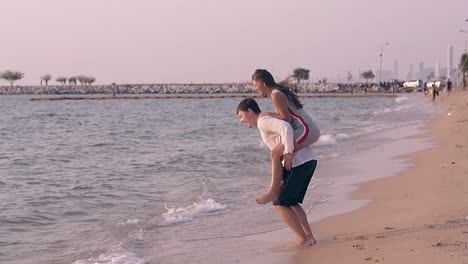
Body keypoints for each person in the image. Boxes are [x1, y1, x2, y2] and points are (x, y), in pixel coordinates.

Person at [237, 98, 318, 248]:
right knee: (291, 203)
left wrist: (288, 153)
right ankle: (309, 237)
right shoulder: (265, 119)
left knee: (279, 203)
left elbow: (286, 127)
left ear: (250, 112)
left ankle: (303, 239)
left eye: (241, 116)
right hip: (307, 160)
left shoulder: (262, 121)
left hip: (299, 162)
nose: (241, 121)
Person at [251, 69, 320, 204]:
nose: (255, 88)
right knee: (278, 152)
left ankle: (273, 190)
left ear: (263, 83)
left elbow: (286, 120)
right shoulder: (277, 92)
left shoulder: (275, 95)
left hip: (306, 130)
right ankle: (281, 184)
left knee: (276, 153)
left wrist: (269, 115)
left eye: (255, 85)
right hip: (308, 129)